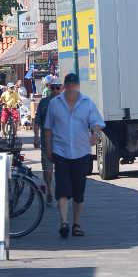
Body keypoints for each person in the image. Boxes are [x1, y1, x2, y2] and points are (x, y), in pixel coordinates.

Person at [44, 72, 104, 238]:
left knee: (79, 191)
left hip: (81, 151)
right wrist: (48, 149)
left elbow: (97, 123)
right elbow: (48, 129)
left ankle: (76, 224)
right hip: (61, 151)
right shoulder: (55, 104)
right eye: (68, 85)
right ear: (64, 86)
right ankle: (64, 222)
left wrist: (95, 134)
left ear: (77, 86)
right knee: (62, 189)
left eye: (73, 85)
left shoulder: (87, 103)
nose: (70, 88)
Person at [34, 77, 61, 204]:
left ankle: (61, 193)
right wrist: (36, 137)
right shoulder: (43, 103)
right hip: (47, 142)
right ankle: (50, 190)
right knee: (47, 171)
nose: (55, 90)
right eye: (53, 88)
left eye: (58, 88)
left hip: (62, 143)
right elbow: (37, 121)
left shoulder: (65, 103)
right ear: (49, 88)